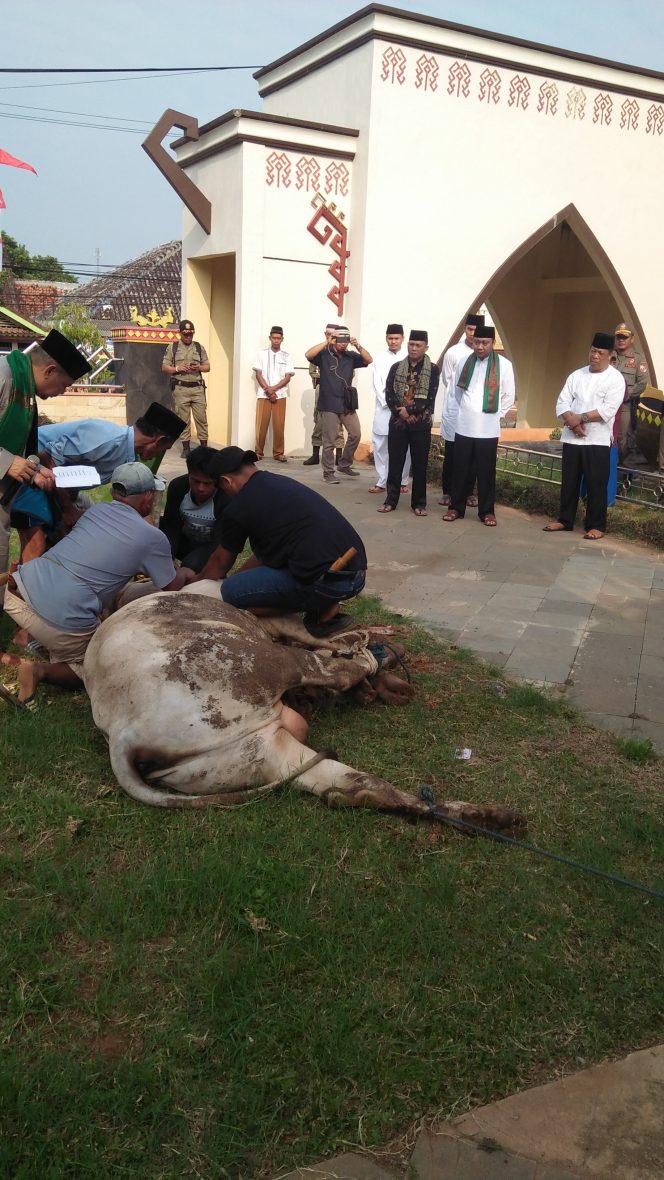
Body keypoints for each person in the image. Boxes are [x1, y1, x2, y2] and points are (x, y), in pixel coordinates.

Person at [3, 462, 193, 703]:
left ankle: (34, 639)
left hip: (20, 590)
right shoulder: (152, 538)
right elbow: (171, 587)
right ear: (148, 496)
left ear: (114, 492)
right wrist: (185, 573)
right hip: (58, 616)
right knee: (95, 667)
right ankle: (38, 670)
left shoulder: (96, 511)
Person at [194, 446, 366, 636]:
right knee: (241, 584)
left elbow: (219, 563)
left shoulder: (240, 506)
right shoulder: (276, 484)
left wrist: (194, 587)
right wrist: (241, 580)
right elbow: (263, 557)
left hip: (330, 582)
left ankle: (322, 605)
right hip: (356, 575)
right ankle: (322, 605)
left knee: (232, 593)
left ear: (226, 482)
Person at [13, 402, 186, 562]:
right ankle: (21, 591)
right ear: (160, 440)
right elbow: (46, 458)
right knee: (36, 545)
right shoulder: (108, 439)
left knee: (70, 540)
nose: (160, 454)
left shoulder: (128, 455)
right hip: (28, 466)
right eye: (166, 448)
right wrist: (67, 508)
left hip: (53, 483)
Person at [0, 330, 92, 601]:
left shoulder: (26, 391)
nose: (61, 393)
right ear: (50, 370)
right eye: (64, 385)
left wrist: (36, 470)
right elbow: (9, 457)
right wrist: (6, 462)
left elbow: (19, 450)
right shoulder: (4, 377)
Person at [543, 332, 626, 541]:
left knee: (596, 484)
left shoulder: (615, 379)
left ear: (610, 355)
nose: (595, 356)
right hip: (572, 438)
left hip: (597, 441)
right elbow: (562, 402)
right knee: (569, 482)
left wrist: (579, 418)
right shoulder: (576, 375)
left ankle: (596, 525)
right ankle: (565, 519)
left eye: (600, 352)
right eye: (592, 351)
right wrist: (573, 423)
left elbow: (608, 410)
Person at [442, 325, 515, 527]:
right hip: (464, 426)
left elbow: (509, 396)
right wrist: (468, 410)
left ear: (493, 343)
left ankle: (486, 512)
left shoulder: (504, 365)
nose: (480, 346)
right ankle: (456, 508)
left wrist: (493, 415)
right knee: (460, 470)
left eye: (485, 343)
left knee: (486, 471)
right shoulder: (464, 361)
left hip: (488, 428)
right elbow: (456, 392)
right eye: (477, 342)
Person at [378, 330, 438, 517]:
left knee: (420, 465)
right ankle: (390, 500)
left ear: (425, 347)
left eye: (418, 345)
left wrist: (410, 411)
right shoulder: (397, 367)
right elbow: (389, 393)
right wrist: (401, 412)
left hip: (421, 425)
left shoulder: (433, 369)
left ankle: (419, 503)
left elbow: (430, 397)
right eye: (411, 344)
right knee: (395, 462)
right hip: (398, 423)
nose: (413, 348)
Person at [305, 327, 372, 484]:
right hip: (328, 403)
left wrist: (358, 346)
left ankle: (344, 464)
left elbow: (369, 360)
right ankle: (328, 473)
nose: (343, 343)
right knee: (329, 441)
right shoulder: (324, 354)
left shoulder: (351, 356)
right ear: (335, 338)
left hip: (346, 403)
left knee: (355, 433)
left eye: (346, 339)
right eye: (340, 339)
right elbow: (308, 355)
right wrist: (327, 342)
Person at [438, 313, 485, 506]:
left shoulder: (484, 356)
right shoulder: (453, 352)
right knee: (452, 452)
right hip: (454, 410)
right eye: (469, 329)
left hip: (475, 414)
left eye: (476, 330)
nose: (472, 334)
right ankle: (448, 491)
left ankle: (468, 492)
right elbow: (447, 380)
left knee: (472, 455)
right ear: (465, 329)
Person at [159, 445, 229, 571]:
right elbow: (172, 526)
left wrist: (190, 567)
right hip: (184, 541)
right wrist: (168, 559)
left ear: (218, 481)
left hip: (211, 545)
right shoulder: (178, 486)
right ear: (189, 474)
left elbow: (220, 540)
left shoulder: (226, 496)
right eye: (195, 481)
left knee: (192, 566)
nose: (201, 488)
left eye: (207, 483)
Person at [369, 323, 410, 495]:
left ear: (402, 338)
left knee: (404, 446)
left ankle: (402, 481)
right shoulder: (380, 358)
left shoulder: (409, 357)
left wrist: (402, 405)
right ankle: (382, 480)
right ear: (386, 338)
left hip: (403, 409)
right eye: (390, 338)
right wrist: (388, 402)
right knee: (380, 445)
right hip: (384, 406)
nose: (393, 341)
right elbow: (377, 383)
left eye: (396, 338)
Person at [161, 319, 210, 456]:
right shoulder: (173, 348)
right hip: (181, 388)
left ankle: (204, 447)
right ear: (180, 333)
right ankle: (186, 448)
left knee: (201, 418)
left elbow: (207, 366)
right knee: (183, 419)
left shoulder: (199, 347)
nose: (188, 336)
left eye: (191, 334)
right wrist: (178, 368)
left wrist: (198, 367)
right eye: (186, 334)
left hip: (197, 389)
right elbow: (164, 367)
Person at [303, 323, 344, 466]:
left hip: (339, 391)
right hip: (323, 390)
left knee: (338, 423)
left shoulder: (342, 351)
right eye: (328, 334)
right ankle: (315, 455)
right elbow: (313, 371)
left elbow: (349, 372)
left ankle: (339, 457)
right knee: (319, 421)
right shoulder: (319, 351)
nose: (330, 337)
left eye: (333, 335)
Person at [252, 326, 295, 462]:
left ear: (282, 339)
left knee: (279, 425)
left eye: (279, 338)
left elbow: (288, 377)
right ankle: (258, 452)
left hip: (280, 395)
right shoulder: (261, 354)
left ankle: (278, 453)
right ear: (270, 338)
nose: (276, 340)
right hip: (263, 394)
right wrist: (268, 389)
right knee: (261, 425)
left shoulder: (287, 356)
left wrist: (274, 389)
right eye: (274, 338)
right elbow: (258, 374)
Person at [613, 322, 650, 460]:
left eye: (624, 337)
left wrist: (625, 395)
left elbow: (642, 383)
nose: (621, 340)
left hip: (625, 406)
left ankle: (623, 469)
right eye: (618, 337)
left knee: (623, 438)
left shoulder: (638, 359)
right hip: (605, 405)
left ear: (632, 339)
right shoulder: (609, 356)